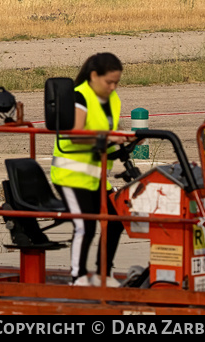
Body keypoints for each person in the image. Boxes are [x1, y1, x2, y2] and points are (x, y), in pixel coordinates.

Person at [51, 52, 129, 285]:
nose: (113, 87)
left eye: (116, 82)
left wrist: (127, 136)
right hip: (71, 175)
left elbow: (111, 128)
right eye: (109, 82)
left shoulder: (112, 99)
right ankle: (77, 277)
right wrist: (108, 138)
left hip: (96, 175)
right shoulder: (80, 97)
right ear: (94, 76)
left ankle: (104, 273)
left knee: (116, 218)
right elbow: (75, 136)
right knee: (85, 225)